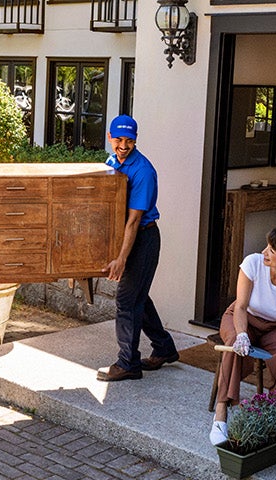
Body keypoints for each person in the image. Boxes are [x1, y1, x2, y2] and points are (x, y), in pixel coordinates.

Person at [209, 227, 276, 444]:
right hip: (242, 317)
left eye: (272, 251)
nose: (264, 252)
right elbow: (240, 306)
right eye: (267, 247)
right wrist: (242, 335)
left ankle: (273, 409)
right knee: (233, 343)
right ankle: (221, 412)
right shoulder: (253, 263)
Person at [98, 115, 179, 382]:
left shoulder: (143, 171)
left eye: (129, 140)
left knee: (126, 300)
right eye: (119, 140)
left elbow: (133, 220)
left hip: (143, 239)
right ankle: (164, 348)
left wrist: (121, 258)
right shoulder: (112, 162)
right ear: (110, 138)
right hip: (126, 237)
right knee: (138, 298)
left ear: (135, 140)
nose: (123, 145)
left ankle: (128, 363)